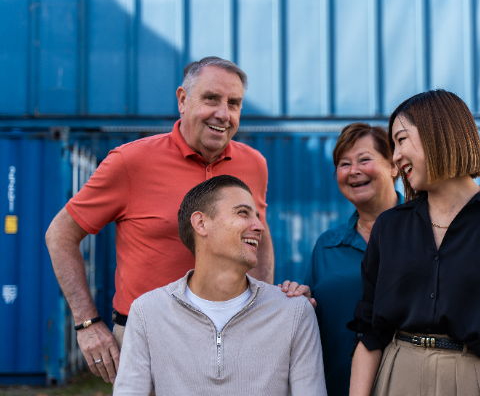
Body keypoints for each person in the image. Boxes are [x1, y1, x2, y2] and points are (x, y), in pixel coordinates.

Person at [45, 57, 275, 384]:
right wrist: (86, 323)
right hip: (148, 339)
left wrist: (263, 310)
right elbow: (60, 234)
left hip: (232, 337)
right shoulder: (130, 162)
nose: (223, 114)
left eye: (234, 103)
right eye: (211, 99)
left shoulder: (254, 164)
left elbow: (259, 239)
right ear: (182, 99)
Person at [348, 90, 480, 396]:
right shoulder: (389, 227)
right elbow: (369, 331)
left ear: (438, 133)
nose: (395, 156)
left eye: (401, 140)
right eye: (393, 146)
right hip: (396, 377)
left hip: (472, 380)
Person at [113, 175, 327, 396]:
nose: (259, 226)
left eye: (257, 216)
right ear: (201, 223)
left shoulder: (294, 311)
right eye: (243, 212)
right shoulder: (148, 312)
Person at [281, 123, 400, 395]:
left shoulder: (426, 233)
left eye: (364, 160)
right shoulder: (327, 245)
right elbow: (312, 323)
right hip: (337, 387)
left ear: (394, 166)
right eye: (344, 164)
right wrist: (298, 300)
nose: (354, 171)